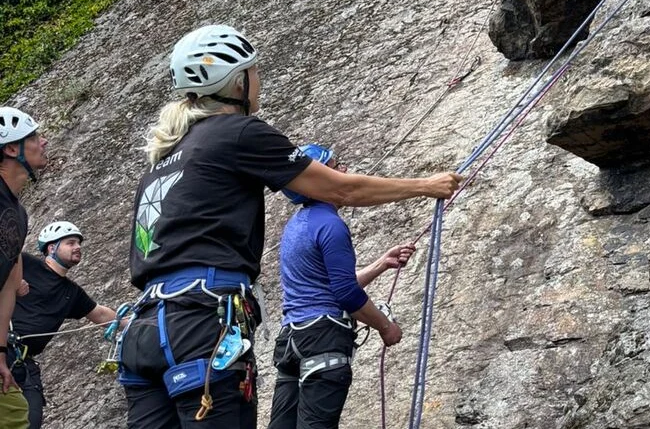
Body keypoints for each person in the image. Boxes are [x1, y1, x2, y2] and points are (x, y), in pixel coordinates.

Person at [115, 25, 462, 428]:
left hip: (144, 332)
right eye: (254, 71)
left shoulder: (162, 161)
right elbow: (342, 189)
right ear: (236, 81)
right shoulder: (237, 133)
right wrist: (425, 186)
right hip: (198, 327)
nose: (259, 81)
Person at [267, 144, 418, 429]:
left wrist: (380, 265)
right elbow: (346, 294)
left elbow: (323, 287)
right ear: (319, 180)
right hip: (322, 341)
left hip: (291, 342)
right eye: (336, 167)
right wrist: (386, 327)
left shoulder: (296, 226)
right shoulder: (331, 225)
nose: (344, 171)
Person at [8, 222, 126, 429]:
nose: (77, 247)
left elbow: (100, 314)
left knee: (30, 421)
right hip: (5, 348)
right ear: (51, 248)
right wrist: (14, 282)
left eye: (79, 243)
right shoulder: (25, 264)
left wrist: (138, 323)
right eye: (70, 242)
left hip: (25, 363)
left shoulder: (72, 293)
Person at [0, 108, 43, 429]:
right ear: (12, 149)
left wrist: (0, 353)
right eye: (34, 137)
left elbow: (7, 290)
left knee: (15, 414)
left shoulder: (20, 214)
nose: (43, 142)